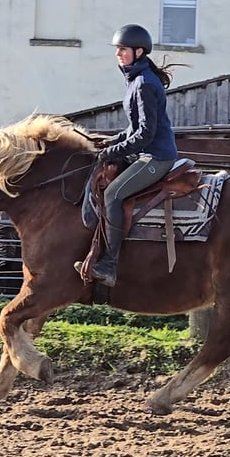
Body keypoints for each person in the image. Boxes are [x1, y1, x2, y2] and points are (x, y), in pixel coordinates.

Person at [75, 24, 182, 287]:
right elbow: (133, 129)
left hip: (155, 158)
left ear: (139, 51)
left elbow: (145, 134)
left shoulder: (144, 84)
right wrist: (111, 141)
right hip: (144, 153)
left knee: (113, 194)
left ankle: (109, 266)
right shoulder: (136, 80)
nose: (118, 54)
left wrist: (113, 151)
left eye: (123, 49)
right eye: (118, 50)